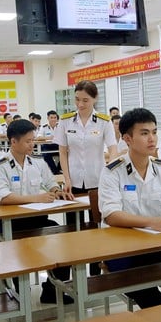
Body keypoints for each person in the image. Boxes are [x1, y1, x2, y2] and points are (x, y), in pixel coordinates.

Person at [99, 108, 161, 308]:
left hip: (157, 242)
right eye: (144, 133)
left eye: (153, 132)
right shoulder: (112, 171)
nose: (152, 138)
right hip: (121, 248)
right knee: (151, 299)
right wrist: (151, 222)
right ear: (127, 138)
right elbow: (111, 215)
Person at [0, 119, 75, 304]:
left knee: (65, 240)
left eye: (32, 140)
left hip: (38, 221)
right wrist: (36, 198)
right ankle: (21, 293)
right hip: (11, 224)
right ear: (13, 141)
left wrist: (57, 192)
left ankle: (51, 290)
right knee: (20, 250)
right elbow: (4, 198)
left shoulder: (37, 162)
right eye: (28, 141)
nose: (32, 144)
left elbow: (51, 183)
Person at [54, 80, 117, 227]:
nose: (80, 104)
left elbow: (113, 149)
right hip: (73, 180)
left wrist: (110, 171)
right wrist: (67, 178)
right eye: (77, 99)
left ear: (95, 99)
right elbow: (62, 152)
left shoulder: (104, 122)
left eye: (85, 100)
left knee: (97, 222)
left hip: (97, 180)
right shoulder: (66, 121)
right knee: (72, 224)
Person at [38, 110, 60, 174]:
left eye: (55, 117)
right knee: (46, 155)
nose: (53, 119)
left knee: (66, 153)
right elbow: (38, 137)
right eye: (51, 118)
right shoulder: (44, 127)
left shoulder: (60, 126)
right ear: (48, 118)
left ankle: (59, 169)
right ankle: (55, 171)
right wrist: (48, 138)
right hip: (47, 146)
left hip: (58, 145)